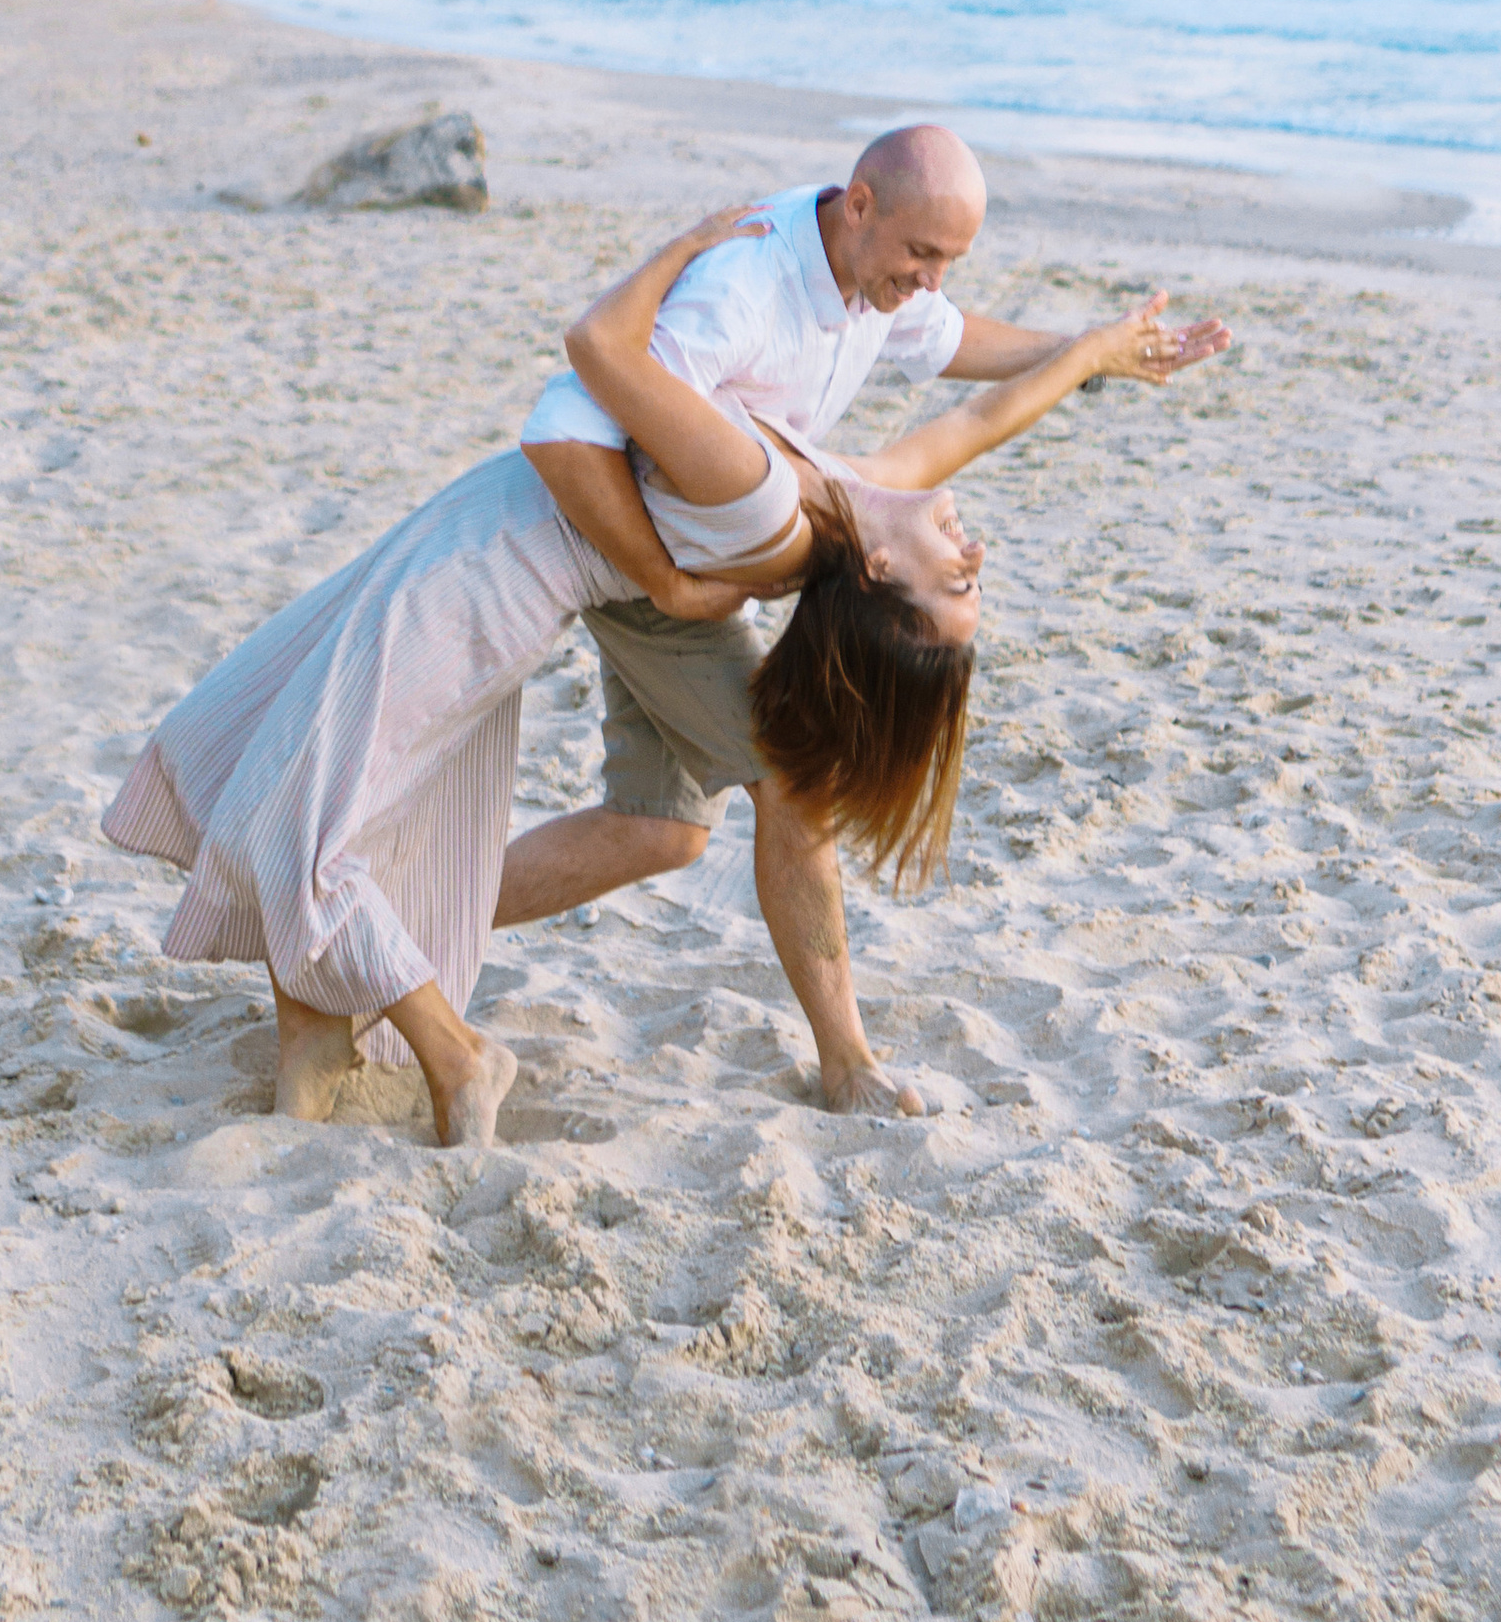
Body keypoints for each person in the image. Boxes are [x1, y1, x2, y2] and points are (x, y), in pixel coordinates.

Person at [102, 198, 1224, 1147]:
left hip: (517, 556)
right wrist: (1095, 353)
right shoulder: (853, 484)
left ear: (882, 574)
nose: (977, 554)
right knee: (498, 810)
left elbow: (597, 347)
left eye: (958, 584)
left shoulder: (776, 498)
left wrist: (682, 247)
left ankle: (443, 1034)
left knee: (302, 814)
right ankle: (340, 1012)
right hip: (540, 545)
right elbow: (980, 414)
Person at [503, 122, 1226, 1114]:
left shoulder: (852, 467)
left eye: (948, 263)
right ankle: (844, 1064)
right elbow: (590, 399)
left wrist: (1098, 351)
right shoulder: (751, 309)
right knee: (792, 791)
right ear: (859, 206)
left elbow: (965, 382)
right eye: (920, 256)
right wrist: (659, 579)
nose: (928, 283)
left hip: (689, 557)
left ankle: (413, 933)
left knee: (657, 831)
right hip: (630, 547)